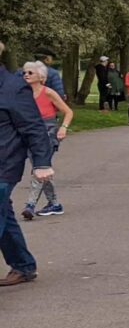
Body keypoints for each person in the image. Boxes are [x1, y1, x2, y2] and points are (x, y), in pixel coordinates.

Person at [2, 42, 54, 285]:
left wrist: (42, 162)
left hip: (3, 164)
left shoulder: (13, 88)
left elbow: (34, 127)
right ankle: (23, 265)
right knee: (3, 214)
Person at [20, 62, 71, 220]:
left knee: (40, 167)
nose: (26, 75)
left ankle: (30, 205)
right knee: (42, 169)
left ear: (41, 76)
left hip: (48, 132)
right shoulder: (23, 94)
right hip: (30, 133)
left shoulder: (48, 92)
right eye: (24, 72)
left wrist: (63, 128)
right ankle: (54, 204)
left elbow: (68, 112)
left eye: (30, 72)